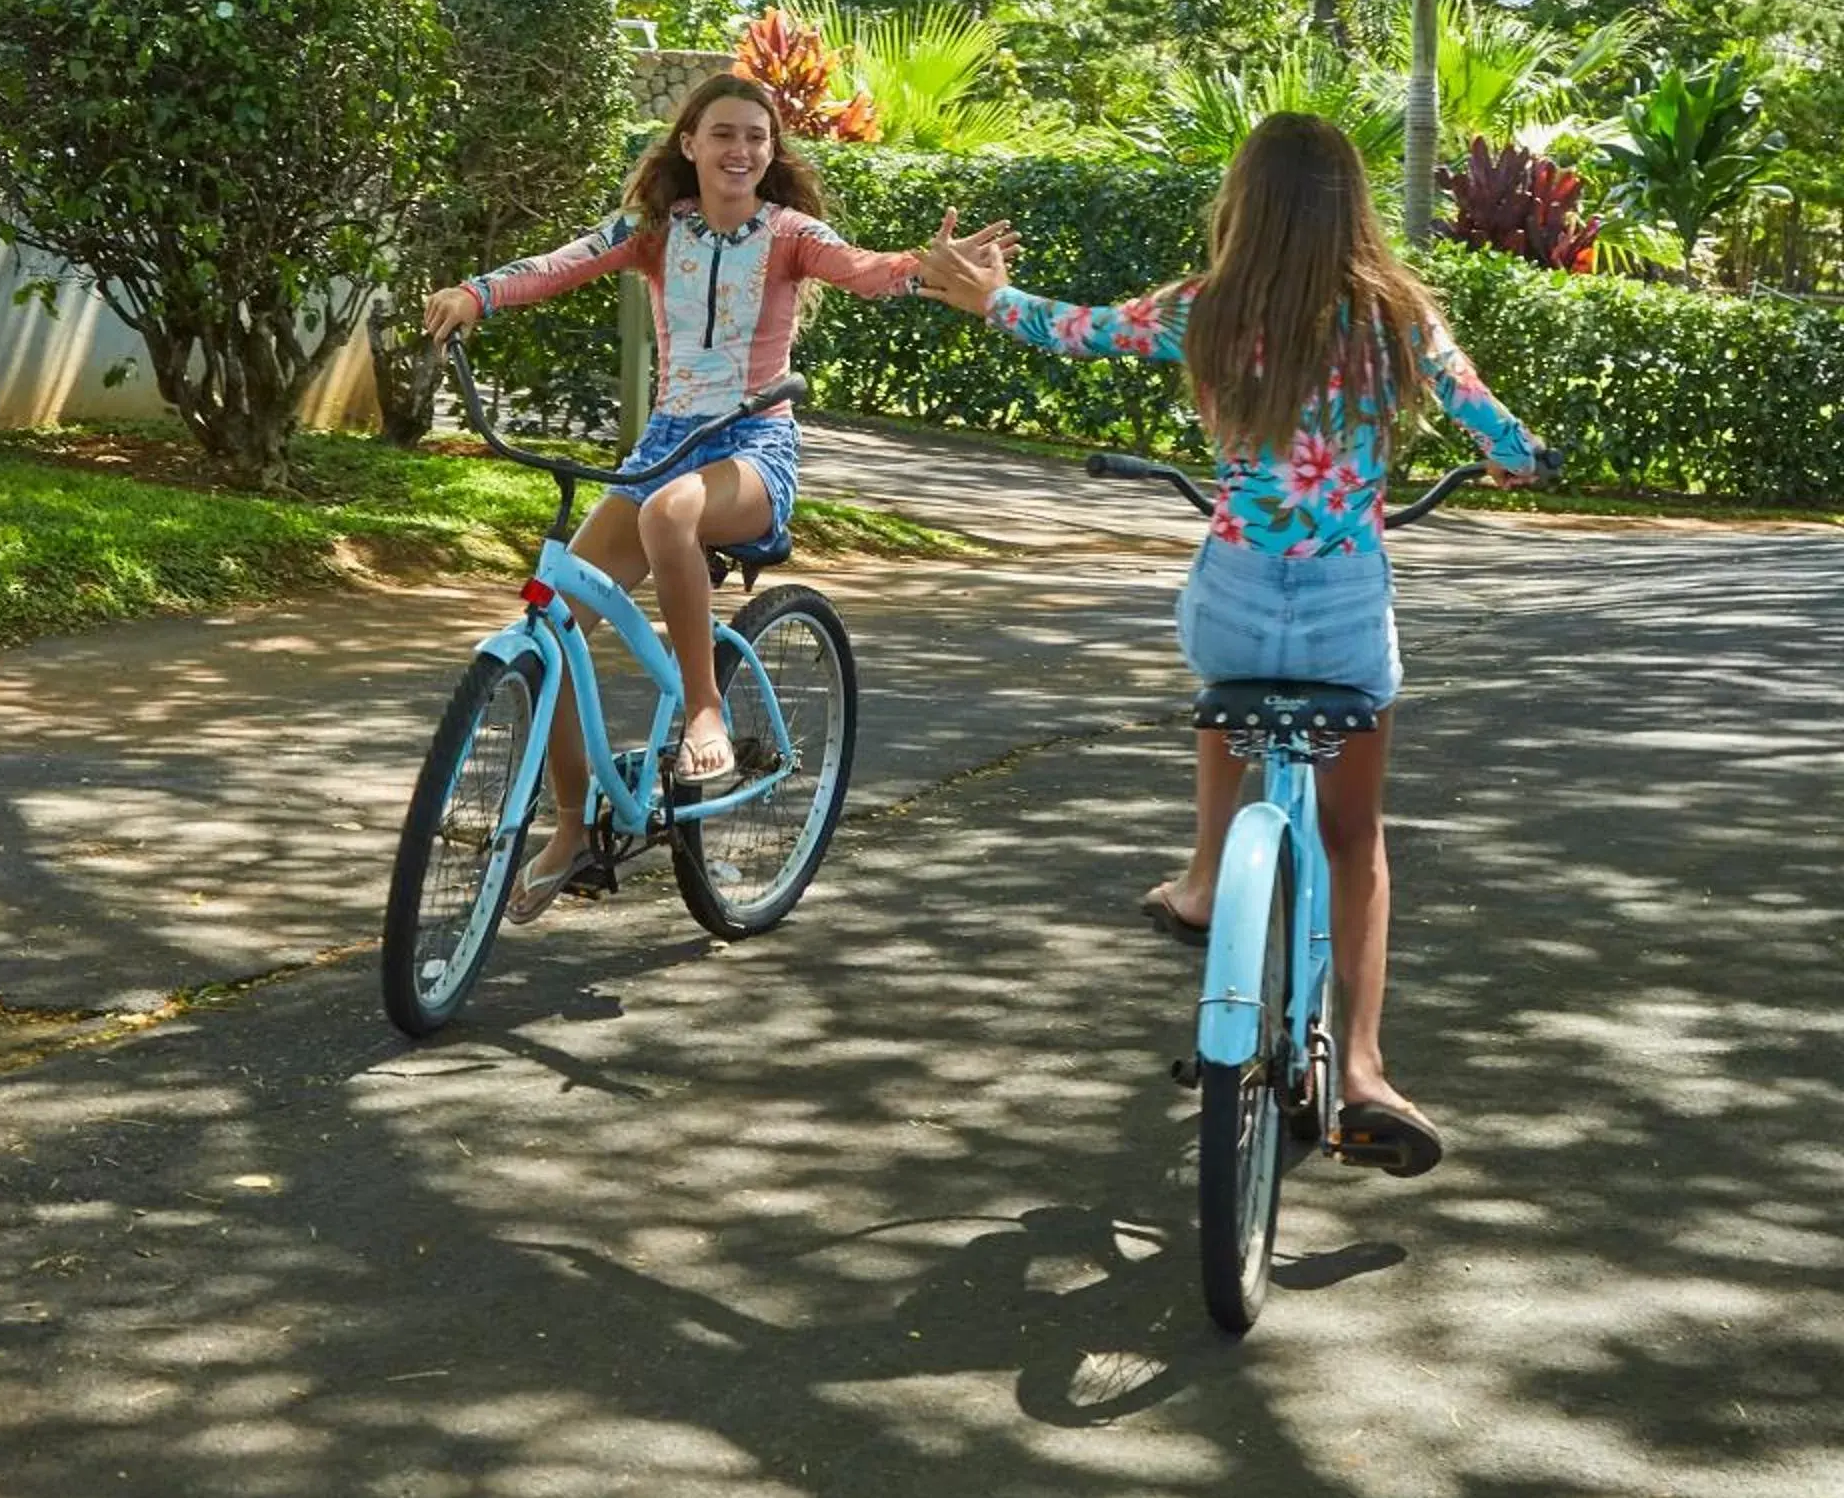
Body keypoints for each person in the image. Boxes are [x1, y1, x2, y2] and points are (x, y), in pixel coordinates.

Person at [918, 108, 1543, 1177]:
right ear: (1350, 204)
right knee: (1353, 836)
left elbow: (1074, 329)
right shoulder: (1397, 312)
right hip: (1346, 607)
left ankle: (1208, 878)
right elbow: (1496, 428)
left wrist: (986, 294)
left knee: (1228, 702)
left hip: (1233, 597)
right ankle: (1361, 1067)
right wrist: (1516, 460)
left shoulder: (1205, 305)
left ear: (1242, 203)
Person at [425, 74, 1012, 922]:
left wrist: (933, 269)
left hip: (752, 445)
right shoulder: (655, 232)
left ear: (772, 155)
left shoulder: (789, 235)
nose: (742, 151)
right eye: (724, 135)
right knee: (550, 628)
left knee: (673, 513)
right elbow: (562, 263)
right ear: (689, 145)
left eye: (758, 138)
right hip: (665, 443)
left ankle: (703, 711)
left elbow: (868, 270)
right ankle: (570, 828)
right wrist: (474, 293)